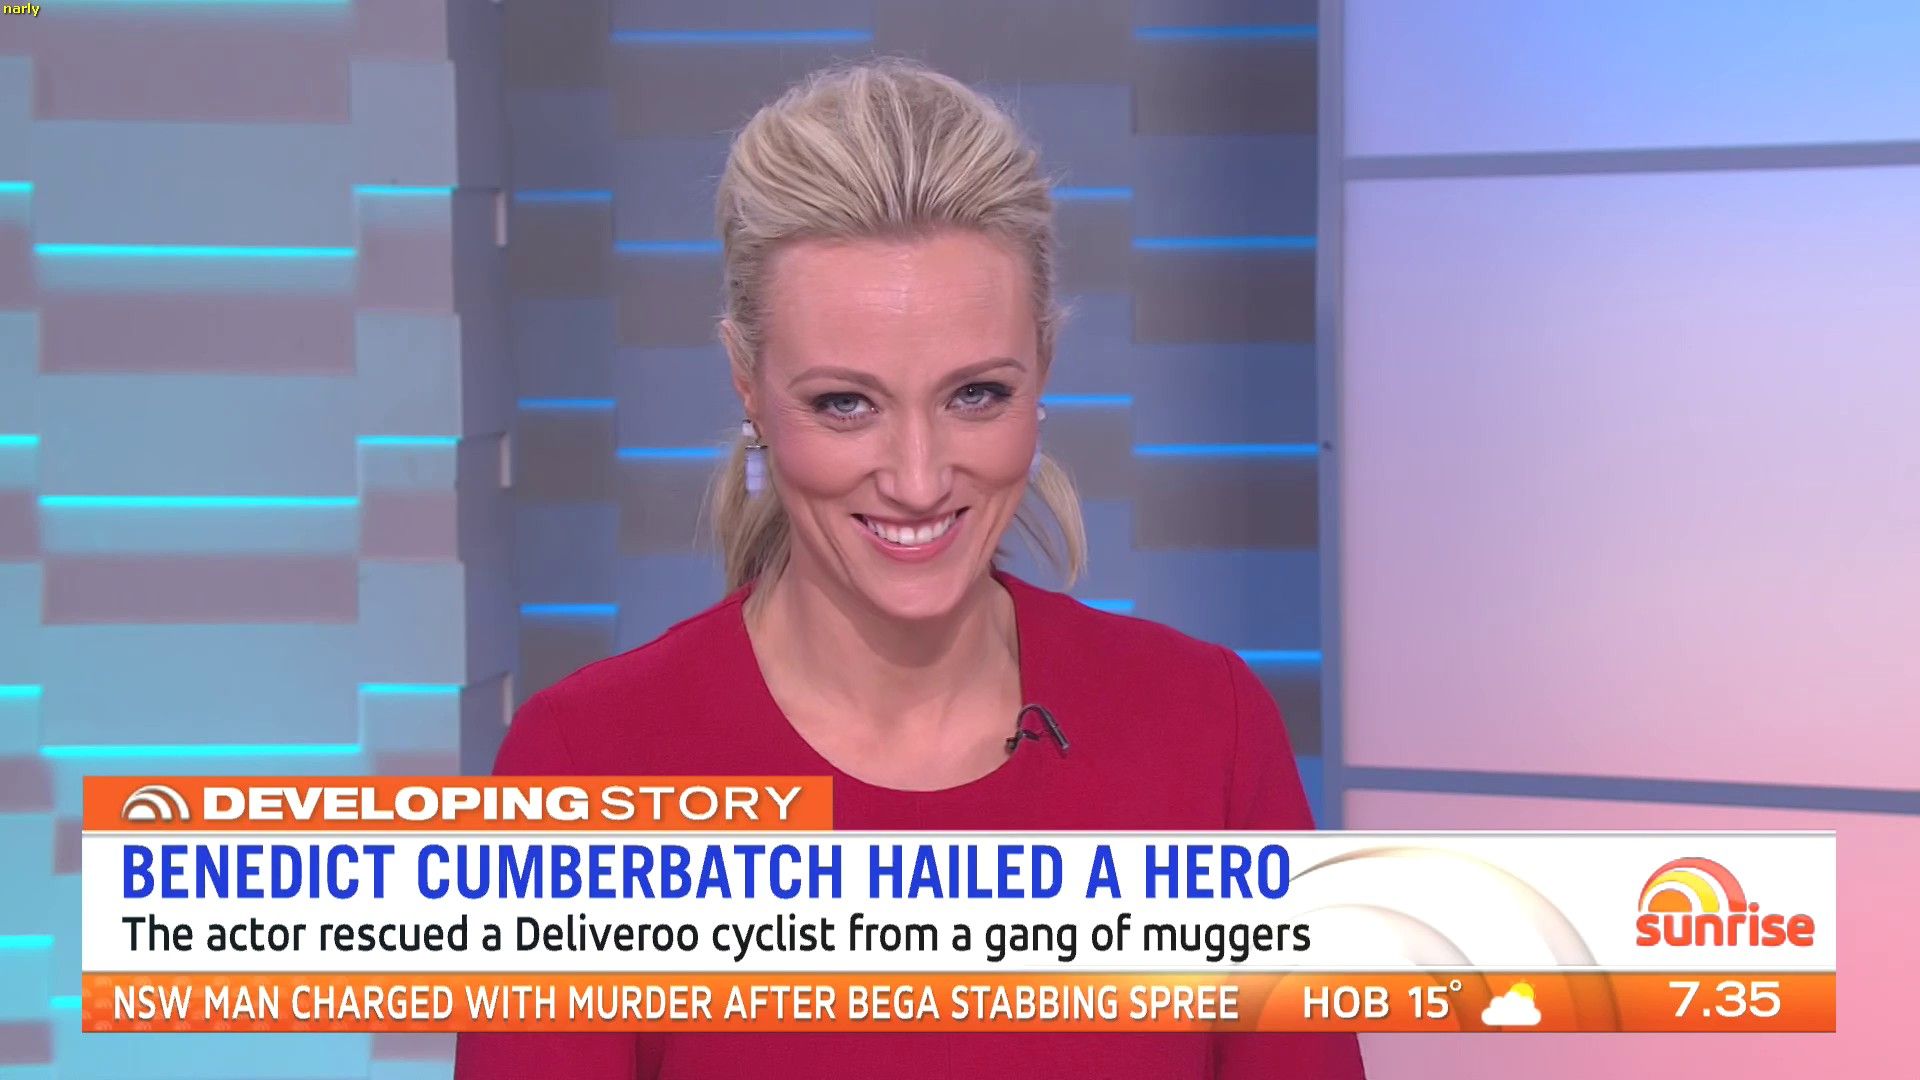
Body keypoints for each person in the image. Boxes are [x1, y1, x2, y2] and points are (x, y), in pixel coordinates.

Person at [455, 56, 1366, 1080]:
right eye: (845, 404)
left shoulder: (1207, 730)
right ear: (747, 383)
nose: (920, 479)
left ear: (1044, 367)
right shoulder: (591, 768)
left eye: (976, 395)